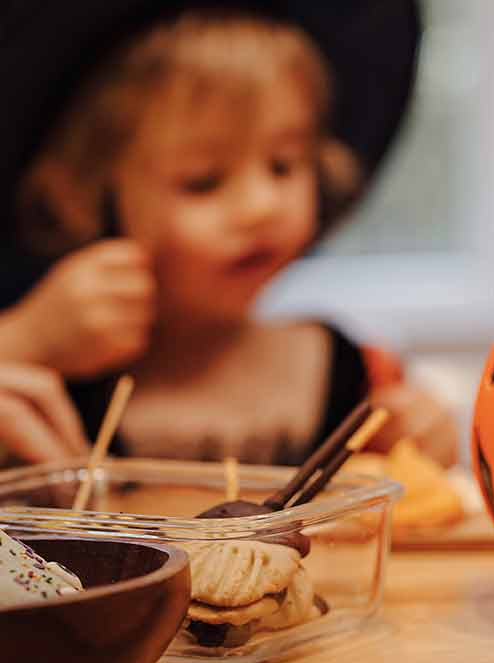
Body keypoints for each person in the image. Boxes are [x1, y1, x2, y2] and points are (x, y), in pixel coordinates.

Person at [0, 1, 458, 465]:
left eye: (283, 166)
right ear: (78, 194)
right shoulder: (44, 373)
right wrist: (23, 341)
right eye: (203, 181)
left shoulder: (356, 379)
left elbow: (406, 489)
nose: (261, 207)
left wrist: (418, 440)